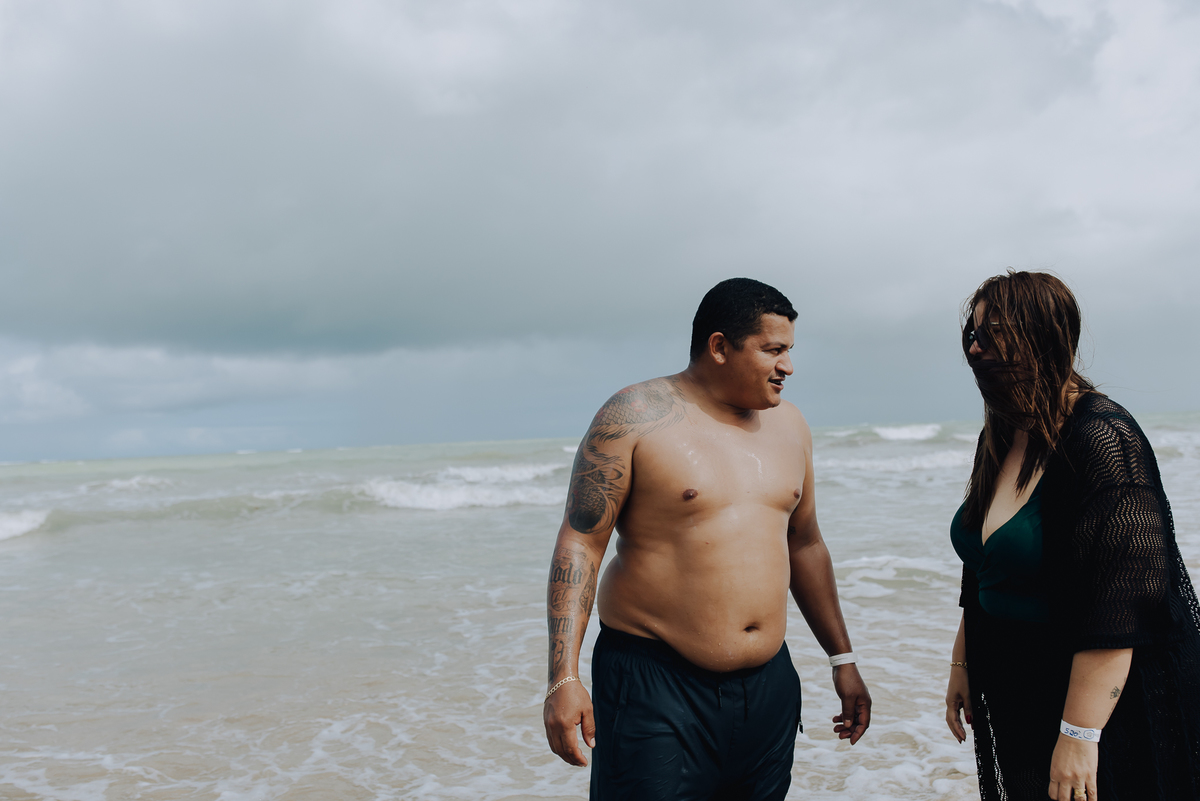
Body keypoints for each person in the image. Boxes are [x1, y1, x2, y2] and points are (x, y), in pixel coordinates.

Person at [541, 277, 871, 801]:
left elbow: (805, 543)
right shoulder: (634, 416)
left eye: (789, 350)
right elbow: (581, 542)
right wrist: (564, 678)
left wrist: (842, 659)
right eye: (773, 350)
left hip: (767, 687)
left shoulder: (790, 426)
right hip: (654, 683)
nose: (788, 366)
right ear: (719, 346)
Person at [944, 270, 1200, 801]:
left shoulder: (1103, 438)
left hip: (1095, 704)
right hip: (1016, 686)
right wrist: (962, 663)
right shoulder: (1004, 430)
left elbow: (1126, 601)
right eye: (973, 333)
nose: (975, 348)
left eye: (994, 334)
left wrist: (1080, 735)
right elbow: (985, 564)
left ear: (1044, 336)